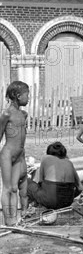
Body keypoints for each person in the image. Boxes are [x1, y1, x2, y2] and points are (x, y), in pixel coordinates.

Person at [0, 81, 30, 225]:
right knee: (7, 188)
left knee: (14, 188)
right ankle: (8, 220)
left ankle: (14, 218)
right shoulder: (6, 114)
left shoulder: (23, 114)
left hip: (18, 156)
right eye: (27, 95)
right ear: (18, 96)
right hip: (7, 154)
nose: (28, 98)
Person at [27, 142, 83, 210]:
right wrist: (68, 197)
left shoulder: (46, 158)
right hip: (67, 202)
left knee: (26, 182)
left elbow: (41, 182)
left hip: (50, 200)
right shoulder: (69, 162)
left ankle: (28, 209)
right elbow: (80, 188)